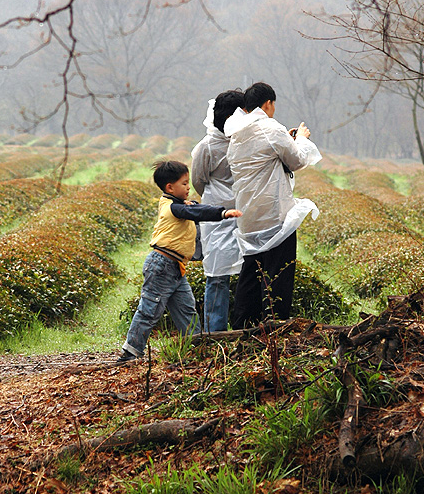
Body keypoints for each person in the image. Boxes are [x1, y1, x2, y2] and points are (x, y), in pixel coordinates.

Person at [117, 160, 242, 363]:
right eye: (184, 183)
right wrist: (222, 213)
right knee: (150, 309)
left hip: (175, 268)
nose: (188, 187)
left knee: (187, 310)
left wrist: (196, 206)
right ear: (170, 187)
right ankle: (131, 352)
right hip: (162, 266)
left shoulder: (176, 204)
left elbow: (193, 208)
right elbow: (194, 212)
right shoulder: (173, 208)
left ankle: (195, 349)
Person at [224, 82, 321, 328]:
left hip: (248, 217)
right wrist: (300, 138)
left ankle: (243, 326)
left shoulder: (236, 133)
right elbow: (297, 160)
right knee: (279, 274)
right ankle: (276, 326)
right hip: (275, 217)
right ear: (268, 103)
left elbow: (265, 157)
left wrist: (286, 140)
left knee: (250, 273)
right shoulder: (270, 127)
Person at [191, 90, 245, 332]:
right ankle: (217, 332)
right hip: (223, 214)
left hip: (227, 211)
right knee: (219, 274)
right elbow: (197, 180)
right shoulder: (209, 146)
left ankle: (217, 330)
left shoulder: (237, 141)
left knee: (220, 276)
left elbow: (198, 181)